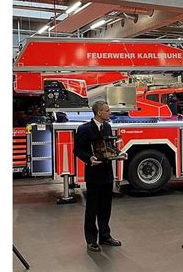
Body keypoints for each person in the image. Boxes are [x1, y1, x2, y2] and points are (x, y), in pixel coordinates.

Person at [74, 101, 122, 252]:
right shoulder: (84, 129)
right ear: (99, 113)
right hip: (93, 174)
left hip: (107, 173)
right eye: (107, 111)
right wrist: (89, 159)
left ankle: (105, 236)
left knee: (105, 207)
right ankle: (91, 240)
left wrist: (119, 154)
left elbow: (109, 147)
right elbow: (77, 150)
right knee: (92, 208)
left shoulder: (107, 127)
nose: (110, 113)